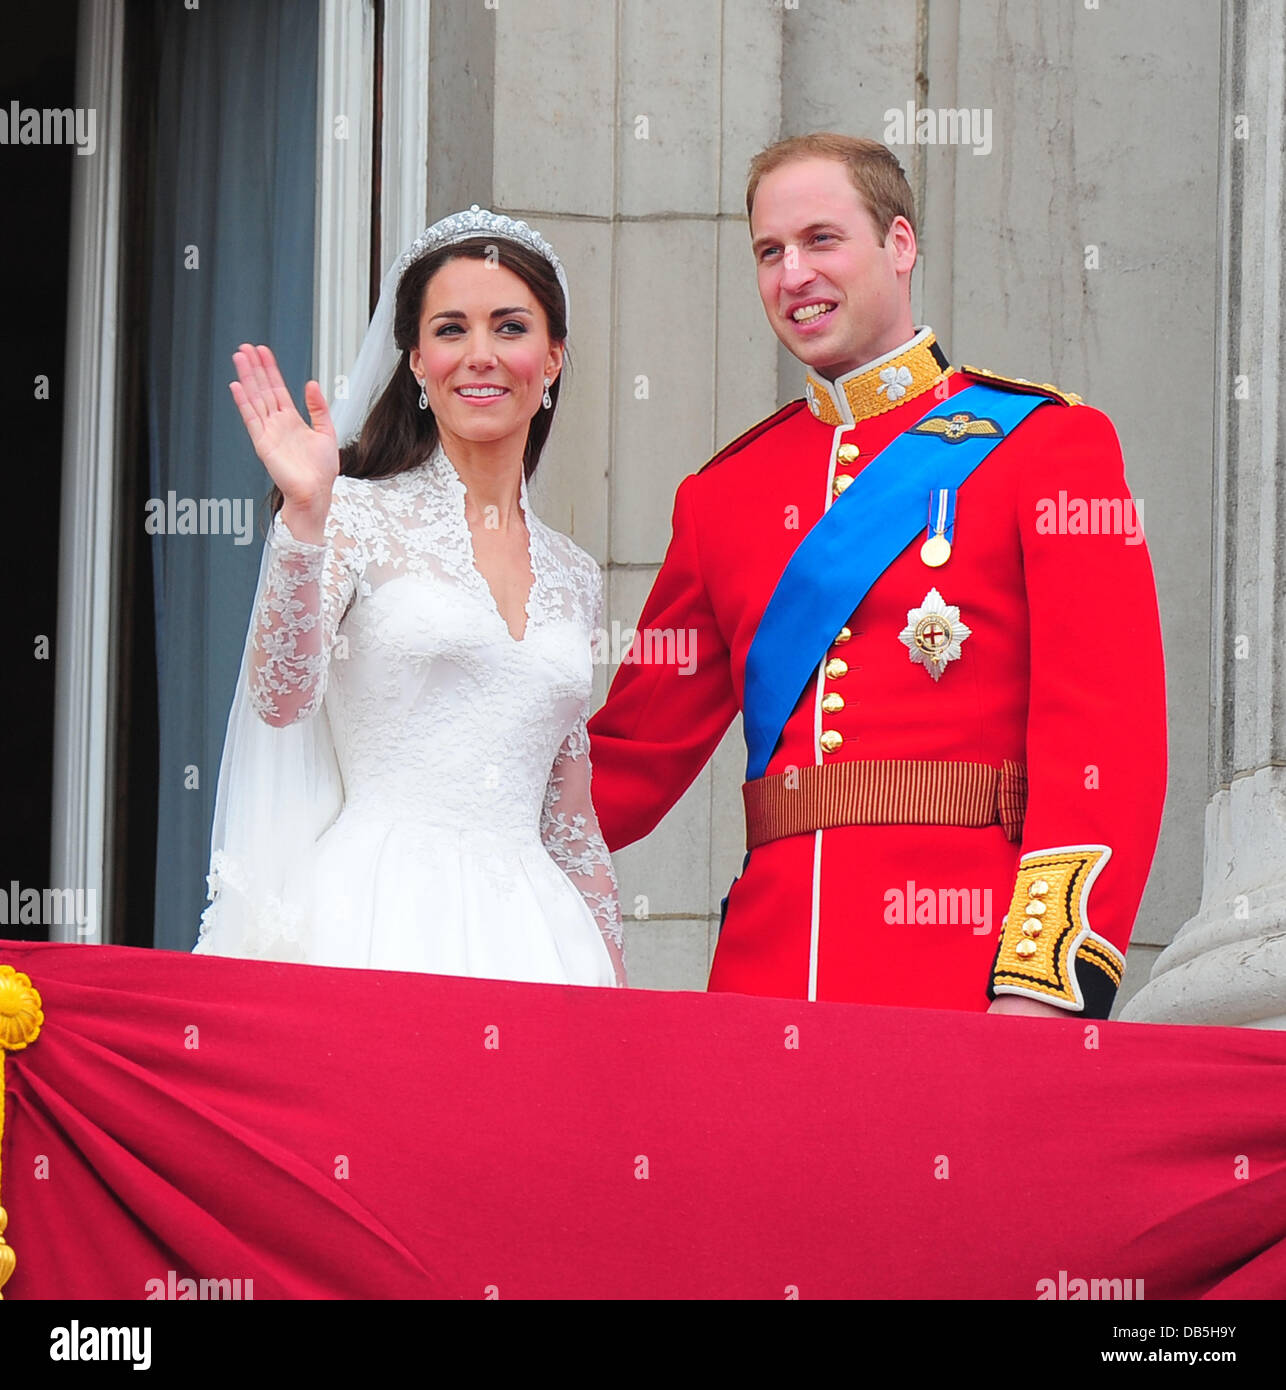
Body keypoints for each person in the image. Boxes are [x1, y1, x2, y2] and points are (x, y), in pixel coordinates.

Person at [587, 134, 1167, 1017]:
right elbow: (624, 765)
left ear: (900, 245)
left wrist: (1043, 983)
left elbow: (1107, 737)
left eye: (822, 240)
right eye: (769, 252)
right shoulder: (723, 496)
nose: (793, 276)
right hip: (763, 982)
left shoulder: (1046, 446)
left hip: (965, 975)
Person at [195, 207, 625, 986]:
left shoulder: (575, 574)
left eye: (510, 327)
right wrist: (303, 518)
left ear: (553, 357)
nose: (481, 356)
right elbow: (280, 698)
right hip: (376, 914)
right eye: (451, 330)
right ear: (419, 362)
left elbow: (569, 816)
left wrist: (616, 984)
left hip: (537, 937)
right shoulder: (351, 511)